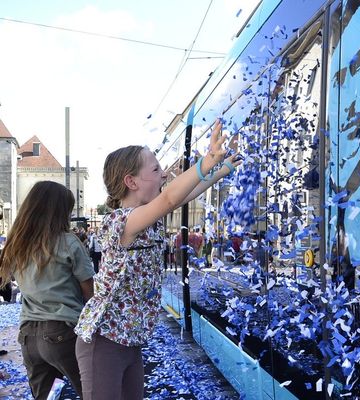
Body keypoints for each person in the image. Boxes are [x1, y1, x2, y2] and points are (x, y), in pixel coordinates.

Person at [74, 120, 240, 399]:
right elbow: (169, 200)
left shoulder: (149, 219)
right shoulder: (120, 222)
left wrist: (223, 167)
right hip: (103, 343)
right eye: (156, 169)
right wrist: (207, 161)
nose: (164, 175)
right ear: (131, 181)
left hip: (131, 341)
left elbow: (187, 193)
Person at [0, 181, 95, 399]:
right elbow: (90, 295)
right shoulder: (68, 242)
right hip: (63, 331)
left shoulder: (17, 244)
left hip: (28, 336)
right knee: (93, 390)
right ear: (59, 212)